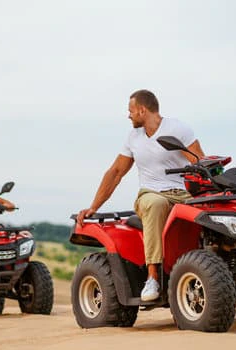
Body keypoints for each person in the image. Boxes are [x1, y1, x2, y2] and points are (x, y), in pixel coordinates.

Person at [76, 89, 204, 301]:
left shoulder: (178, 129)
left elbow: (199, 161)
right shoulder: (133, 138)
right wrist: (94, 207)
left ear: (142, 110)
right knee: (155, 204)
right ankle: (152, 277)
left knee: (209, 211)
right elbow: (116, 172)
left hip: (183, 192)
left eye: (131, 111)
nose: (129, 115)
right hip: (151, 192)